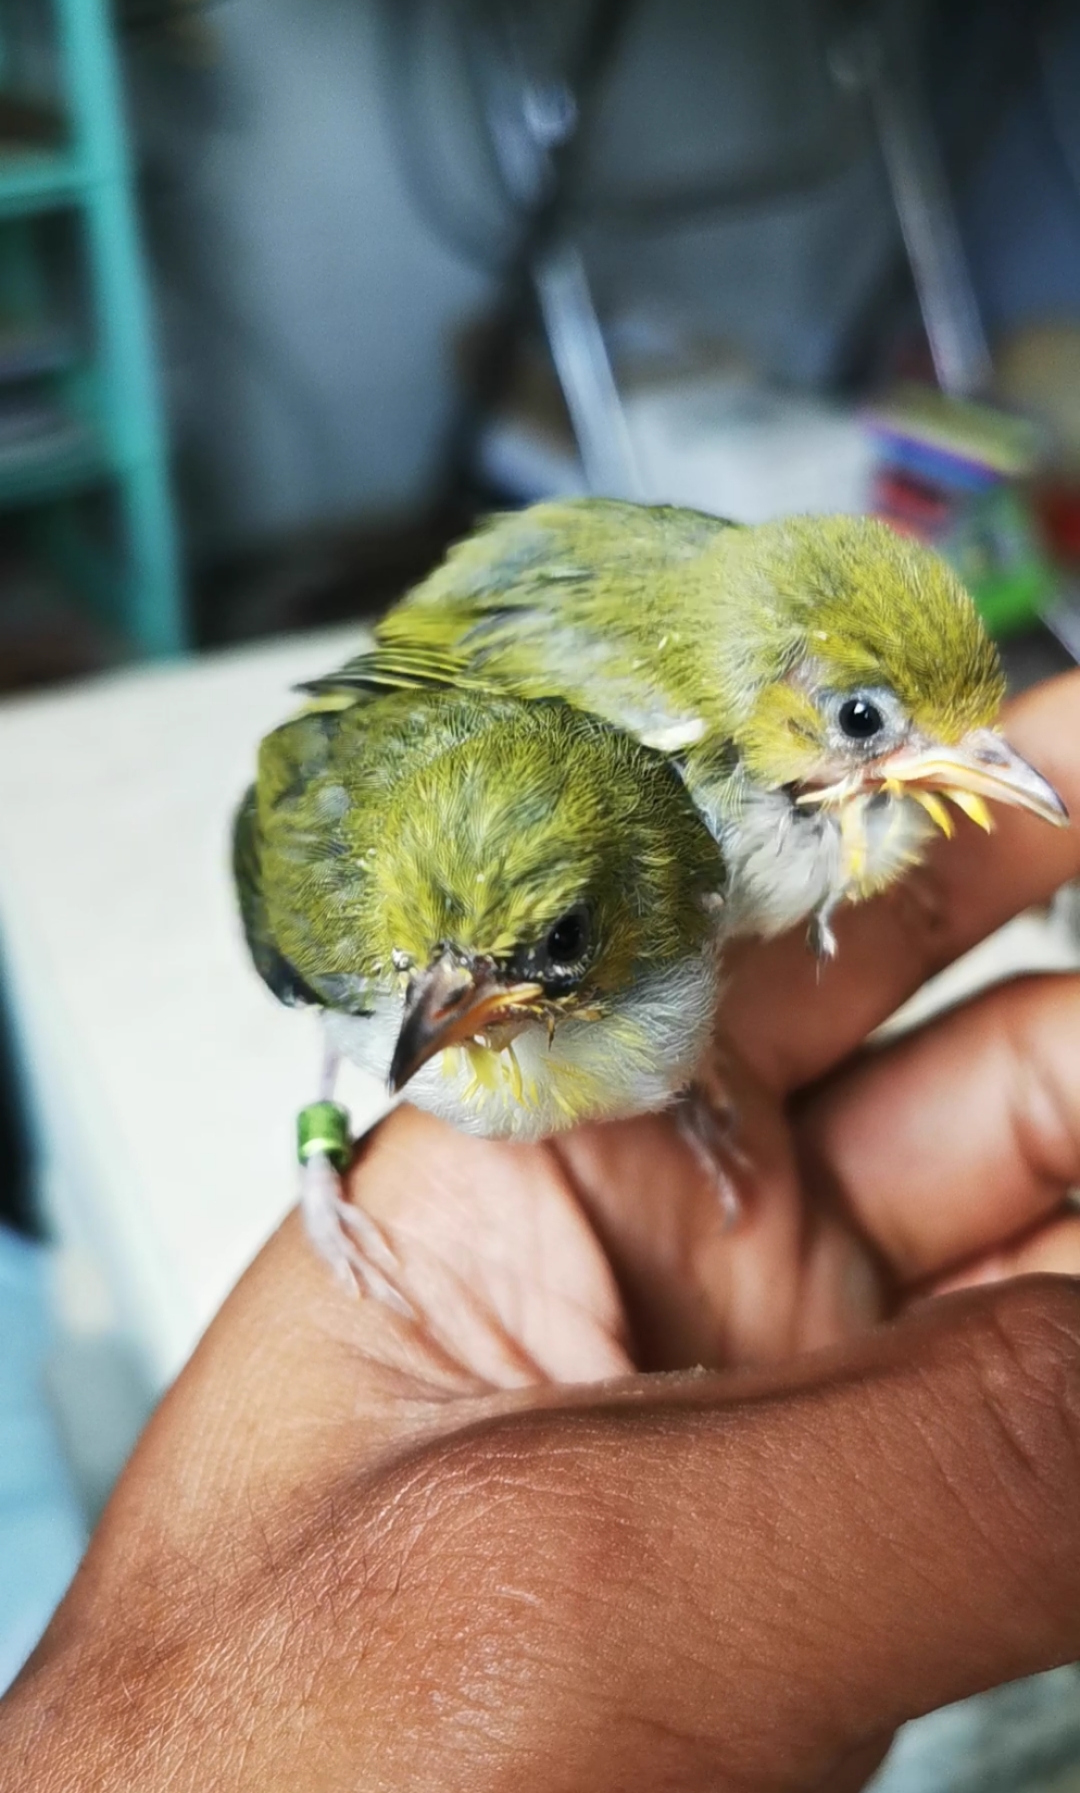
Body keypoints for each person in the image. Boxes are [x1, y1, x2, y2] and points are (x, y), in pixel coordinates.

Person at [4, 671, 1080, 1793]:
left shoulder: (667, 886)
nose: (441, 1019)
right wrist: (324, 1151)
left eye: (546, 952)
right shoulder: (369, 935)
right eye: (430, 980)